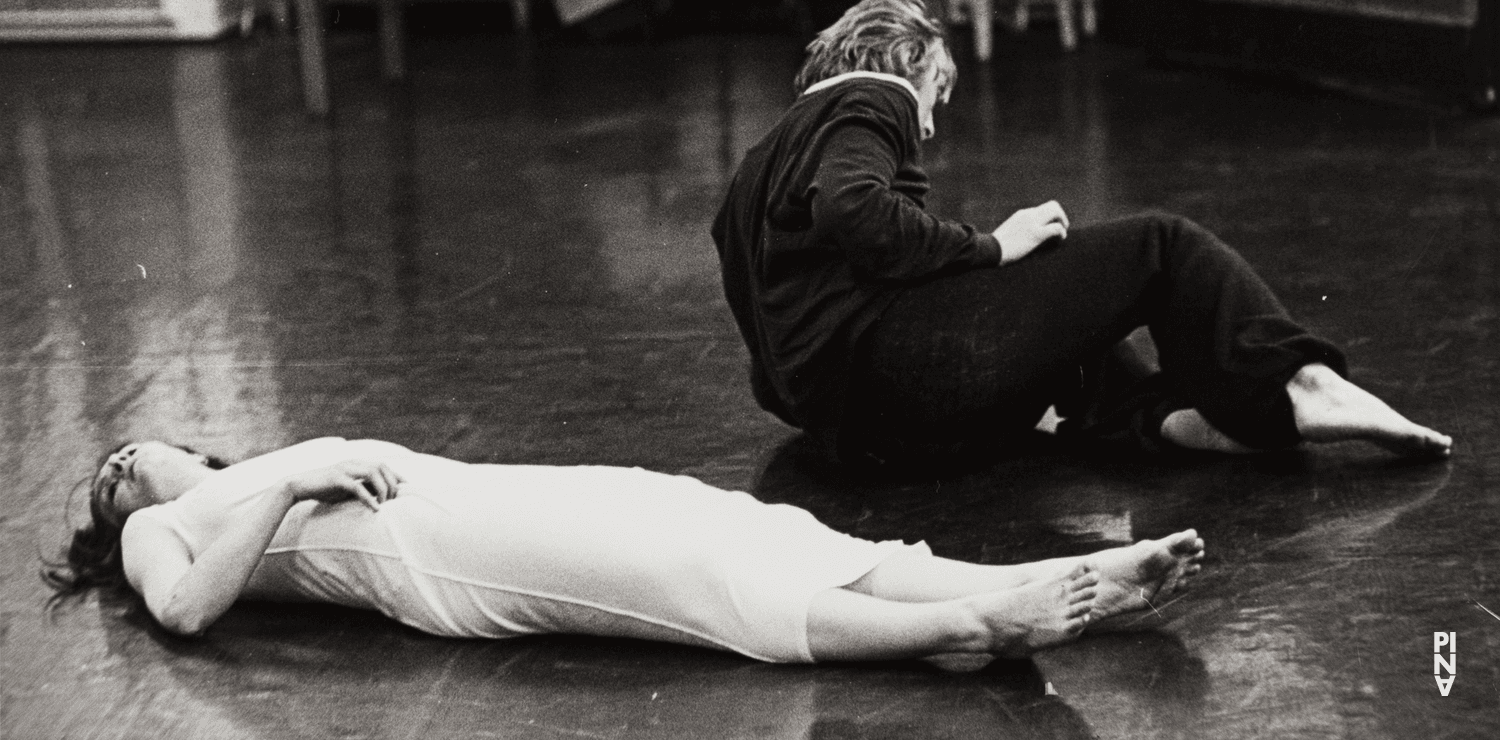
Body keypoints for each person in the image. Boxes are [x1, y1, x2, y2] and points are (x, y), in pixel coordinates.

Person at [711, 0, 1453, 475]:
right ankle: (1299, 382)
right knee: (1159, 246)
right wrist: (991, 247)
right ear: (905, 63)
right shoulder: (873, 101)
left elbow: (779, 329)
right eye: (937, 94)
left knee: (1071, 324)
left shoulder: (757, 168)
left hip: (861, 430)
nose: (930, 124)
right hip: (910, 374)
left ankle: (1170, 421)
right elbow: (855, 209)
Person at [43, 437, 1204, 664]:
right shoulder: (160, 528)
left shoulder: (239, 467)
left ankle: (1029, 585)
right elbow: (190, 610)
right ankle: (960, 628)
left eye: (123, 455)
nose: (115, 473)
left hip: (481, 499)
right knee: (687, 581)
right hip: (442, 560)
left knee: (738, 524)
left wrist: (286, 468)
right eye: (104, 485)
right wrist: (293, 480)